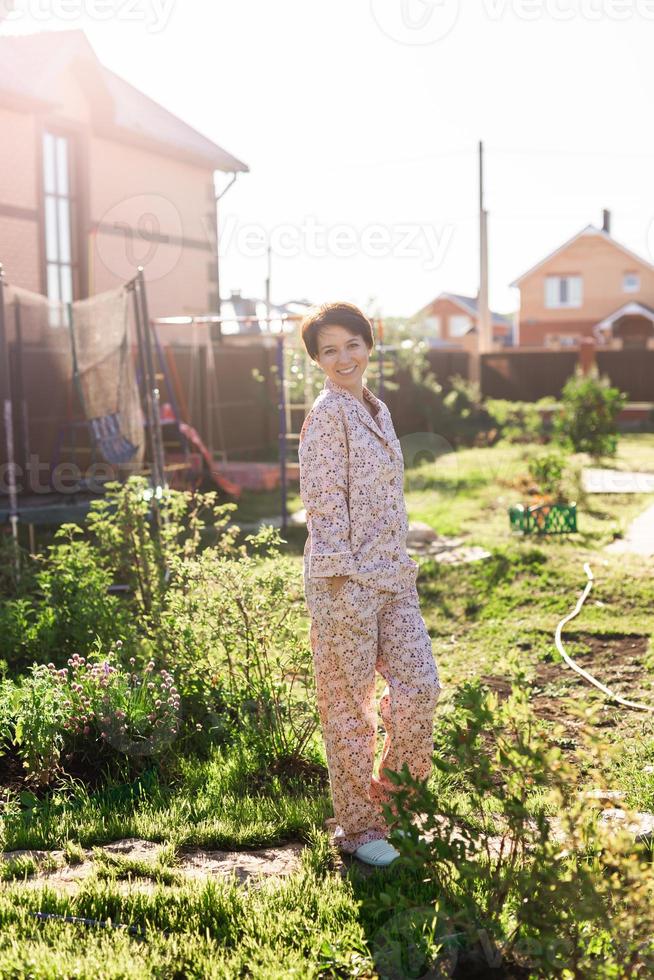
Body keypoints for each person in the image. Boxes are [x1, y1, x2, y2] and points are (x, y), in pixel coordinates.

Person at [298, 301, 442, 868]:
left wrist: (397, 560)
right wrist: (338, 578)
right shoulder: (328, 414)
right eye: (328, 350)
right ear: (317, 361)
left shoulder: (376, 410)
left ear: (369, 343)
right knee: (348, 708)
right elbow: (323, 502)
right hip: (345, 583)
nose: (343, 358)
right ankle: (358, 829)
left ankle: (397, 809)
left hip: (394, 576)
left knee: (420, 688)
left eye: (350, 345)